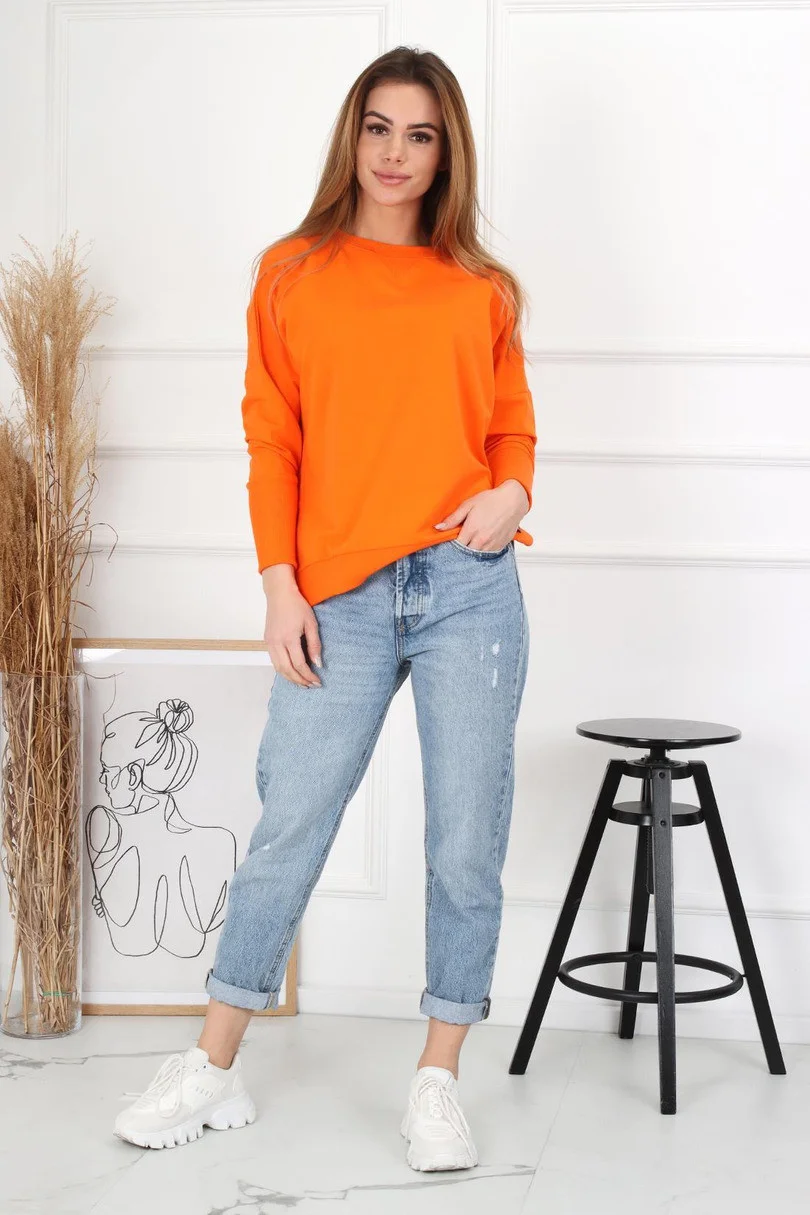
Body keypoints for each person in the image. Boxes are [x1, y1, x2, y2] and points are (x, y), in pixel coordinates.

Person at [114, 45, 536, 1171]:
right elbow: (273, 437)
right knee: (290, 825)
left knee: (465, 842)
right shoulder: (292, 272)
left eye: (421, 134)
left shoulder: (482, 288)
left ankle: (438, 1078)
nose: (395, 154)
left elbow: (511, 430)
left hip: (468, 585)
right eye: (379, 128)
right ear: (353, 136)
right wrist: (278, 584)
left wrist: (513, 492)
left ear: (446, 153)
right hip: (336, 594)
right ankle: (213, 1065)